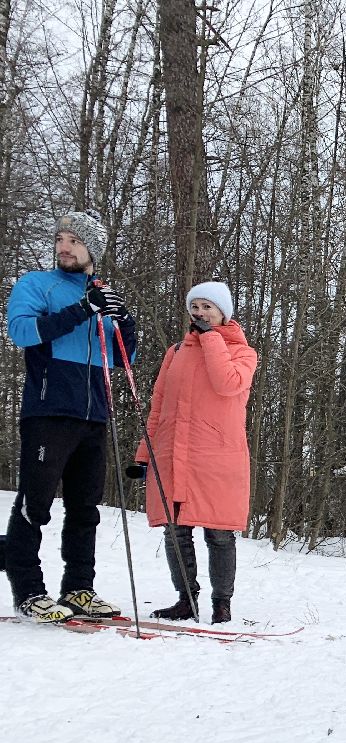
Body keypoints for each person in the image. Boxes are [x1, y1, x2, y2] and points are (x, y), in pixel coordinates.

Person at [4, 209, 136, 623]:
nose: (64, 247)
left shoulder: (102, 291)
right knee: (35, 505)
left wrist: (124, 321)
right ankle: (29, 590)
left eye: (74, 241)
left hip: (95, 414)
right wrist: (81, 310)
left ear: (91, 248)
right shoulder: (37, 284)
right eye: (61, 239)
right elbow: (22, 332)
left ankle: (79, 588)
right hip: (49, 410)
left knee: (85, 508)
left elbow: (120, 358)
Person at [131, 282, 257, 624]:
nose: (199, 313)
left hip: (218, 456)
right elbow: (158, 407)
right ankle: (186, 600)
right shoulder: (175, 352)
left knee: (218, 532)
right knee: (175, 530)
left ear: (223, 314)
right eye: (195, 307)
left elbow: (228, 383)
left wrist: (210, 338)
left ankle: (222, 604)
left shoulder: (243, 353)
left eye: (207, 307)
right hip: (173, 454)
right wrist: (144, 455)